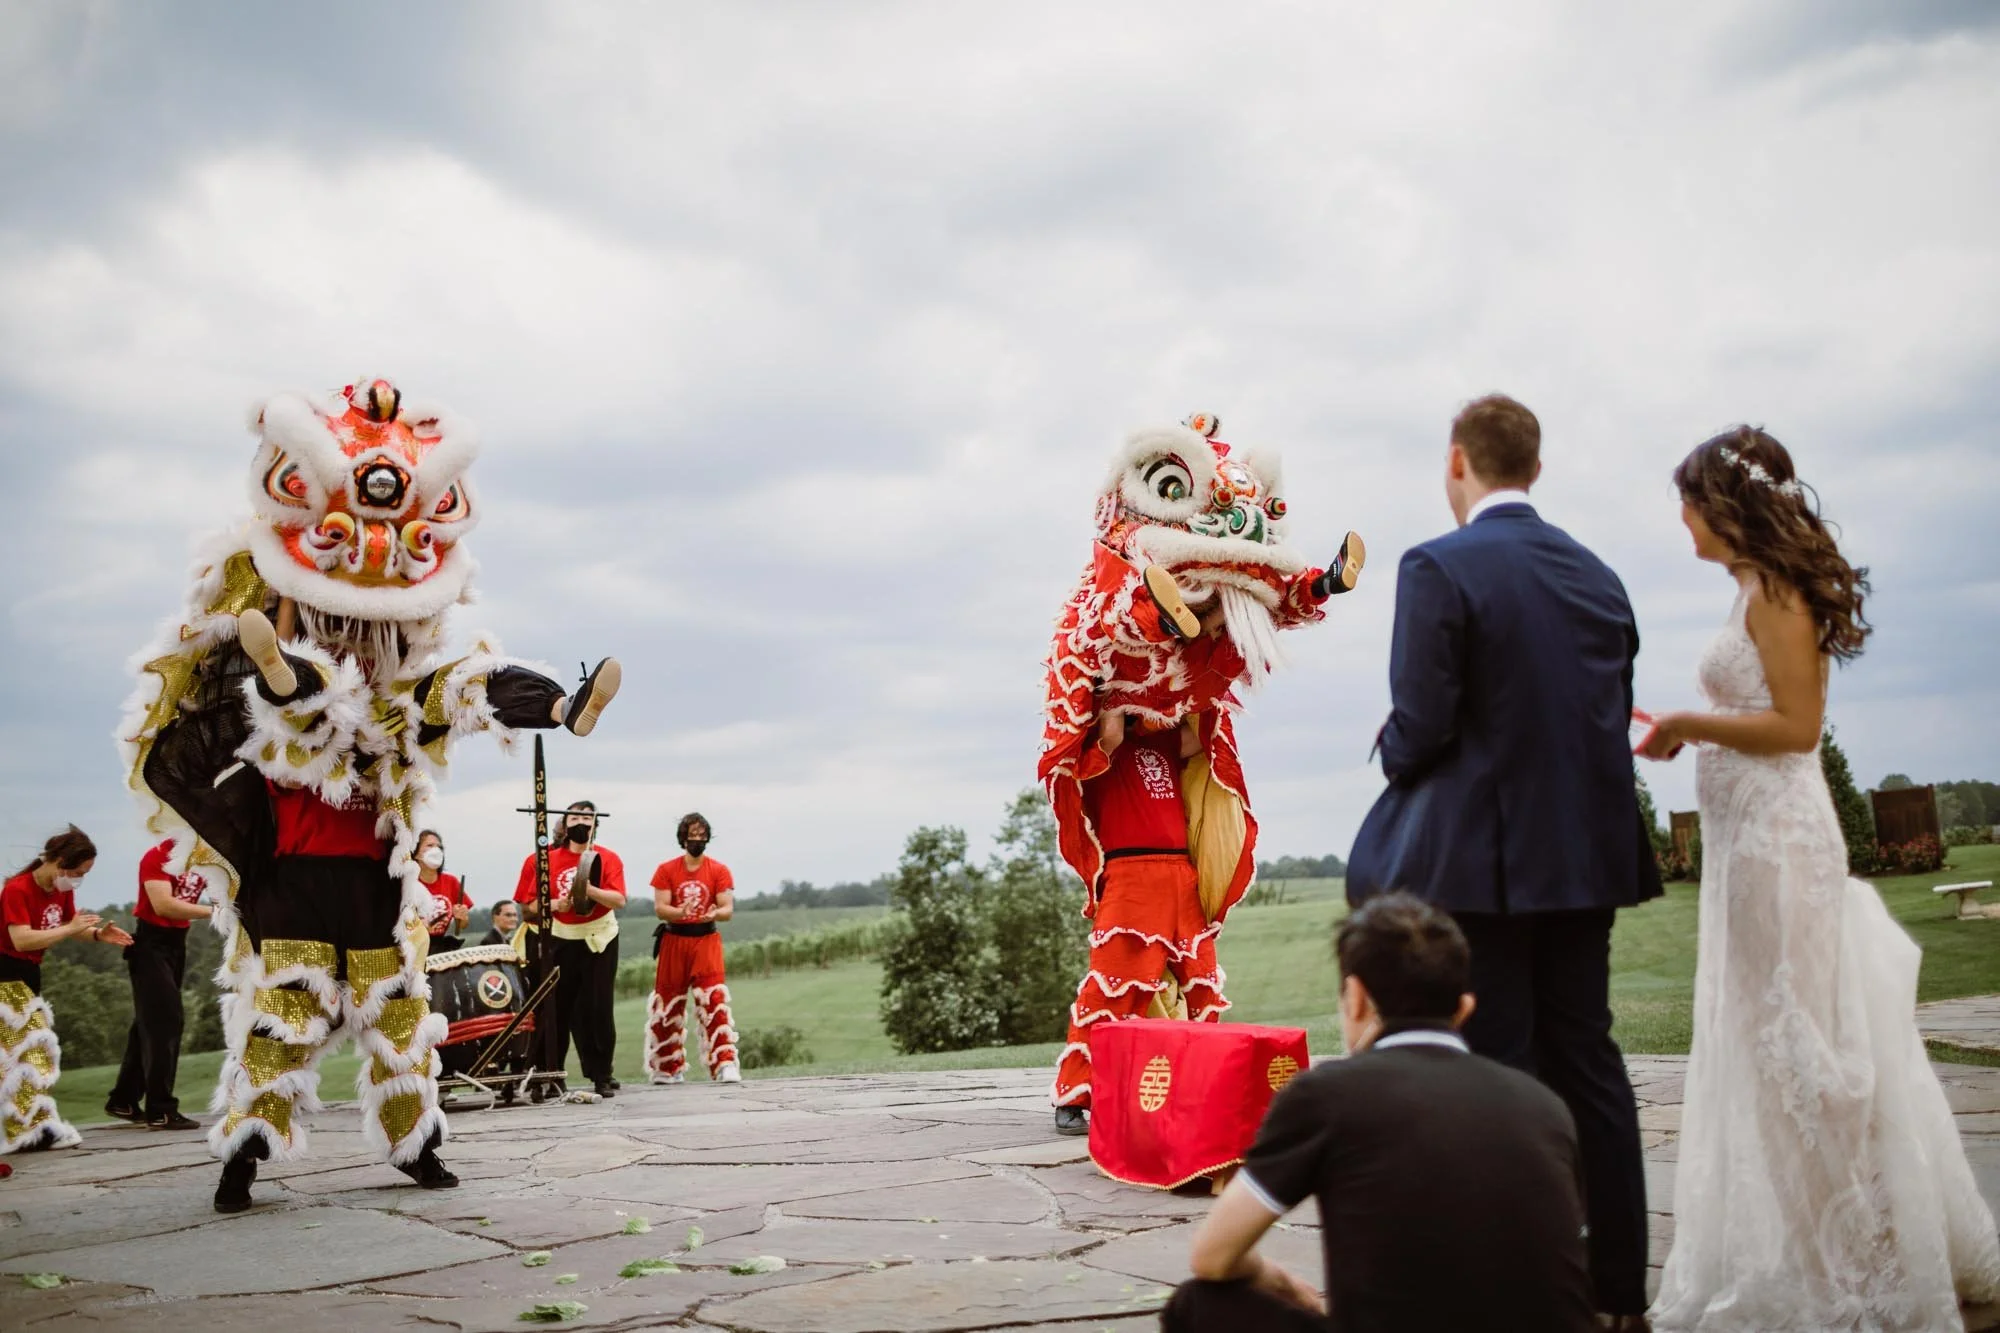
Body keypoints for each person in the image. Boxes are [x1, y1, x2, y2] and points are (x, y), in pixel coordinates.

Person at [116, 378, 623, 1214]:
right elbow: (289, 721)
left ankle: (566, 706)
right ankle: (244, 1155)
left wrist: (543, 708)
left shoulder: (395, 706)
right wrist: (279, 668)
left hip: (373, 883)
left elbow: (457, 689)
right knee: (282, 1026)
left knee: (398, 1018)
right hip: (291, 882)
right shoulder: (271, 711)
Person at [1639, 428, 2000, 1328]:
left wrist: (1693, 717)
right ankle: (1804, 1241)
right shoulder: (1748, 593)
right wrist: (1700, 726)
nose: (1680, 518)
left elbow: (1798, 728)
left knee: (1801, 1048)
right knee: (1768, 1049)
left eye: (1688, 500)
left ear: (1724, 506)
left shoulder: (1777, 593)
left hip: (1780, 846)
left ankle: (1860, 1258)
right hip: (1746, 849)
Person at [1346, 394, 1659, 1326]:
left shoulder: (1437, 565)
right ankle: (1617, 1294)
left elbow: (1425, 721)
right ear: (1535, 466)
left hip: (1482, 870)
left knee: (1503, 1069)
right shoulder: (1600, 576)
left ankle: (1517, 1291)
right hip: (1586, 862)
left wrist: (1392, 746)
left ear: (1457, 462)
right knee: (1592, 1067)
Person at [1040, 411, 1363, 1135]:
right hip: (1132, 873)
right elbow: (1096, 736)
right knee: (1117, 979)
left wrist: (1291, 595)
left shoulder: (1167, 740)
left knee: (1203, 986)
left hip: (1180, 872)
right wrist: (1117, 716)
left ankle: (1203, 1085)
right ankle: (1076, 1089)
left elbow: (1193, 732)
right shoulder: (1109, 750)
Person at [1166, 893, 1597, 1332]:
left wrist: (1278, 1281)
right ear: (1464, 1008)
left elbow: (1212, 1256)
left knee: (1198, 1303)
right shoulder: (1544, 1104)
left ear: (1355, 997)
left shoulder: (1328, 1094)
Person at [1, 827, 134, 1153]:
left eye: (83, 875)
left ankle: (29, 1126)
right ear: (58, 861)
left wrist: (98, 936)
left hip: (28, 974)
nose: (77, 880)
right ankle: (25, 1128)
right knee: (27, 1054)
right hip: (6, 973)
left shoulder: (59, 891)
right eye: (75, 873)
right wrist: (70, 928)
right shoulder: (17, 890)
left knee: (27, 1057)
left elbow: (71, 927)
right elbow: (22, 939)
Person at [514, 800, 625, 1097]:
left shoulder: (608, 858)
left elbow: (618, 899)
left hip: (598, 938)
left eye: (587, 818)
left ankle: (601, 1074)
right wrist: (555, 904)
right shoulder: (540, 861)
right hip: (558, 937)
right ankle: (549, 1074)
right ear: (563, 824)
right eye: (574, 817)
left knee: (598, 1008)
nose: (580, 823)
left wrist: (589, 891)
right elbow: (527, 909)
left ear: (595, 826)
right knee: (554, 1009)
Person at [105, 838, 212, 1131]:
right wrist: (215, 912)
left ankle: (123, 1100)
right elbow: (163, 905)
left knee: (149, 1024)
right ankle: (161, 1110)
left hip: (177, 945)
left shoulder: (205, 855)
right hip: (150, 945)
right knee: (165, 1021)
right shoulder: (157, 857)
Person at [645, 812, 740, 1084]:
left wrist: (715, 914)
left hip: (706, 940)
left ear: (707, 837)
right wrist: (678, 911)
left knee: (713, 999)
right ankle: (666, 1066)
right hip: (674, 939)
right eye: (692, 835)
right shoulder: (666, 869)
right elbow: (660, 908)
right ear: (682, 838)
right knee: (668, 1000)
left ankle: (724, 1063)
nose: (696, 839)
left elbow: (727, 908)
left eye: (701, 835)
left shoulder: (718, 870)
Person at [415, 830, 469, 953]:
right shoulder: (407, 883)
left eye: (439, 847)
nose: (436, 850)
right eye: (430, 845)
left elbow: (462, 925)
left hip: (441, 947)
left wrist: (462, 918)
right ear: (416, 853)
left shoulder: (451, 881)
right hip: (414, 949)